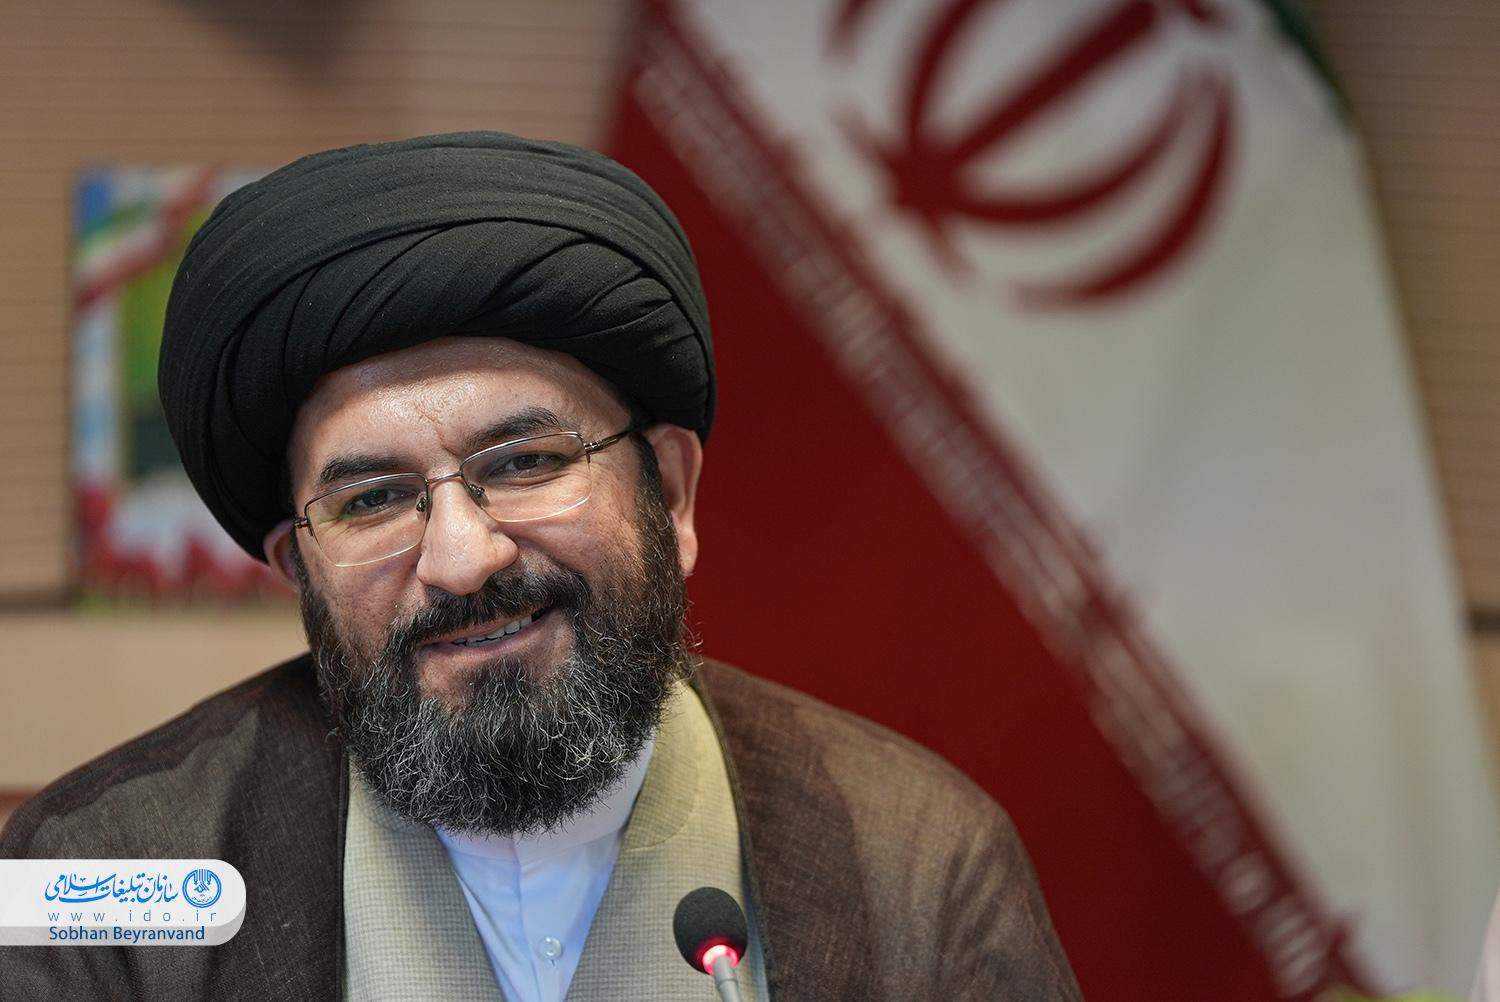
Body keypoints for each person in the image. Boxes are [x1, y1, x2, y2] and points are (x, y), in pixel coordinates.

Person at [0, 133, 1082, 1001]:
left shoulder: (921, 863)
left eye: (524, 463)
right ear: (299, 570)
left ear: (669, 492)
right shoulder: (98, 877)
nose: (462, 560)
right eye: (371, 500)